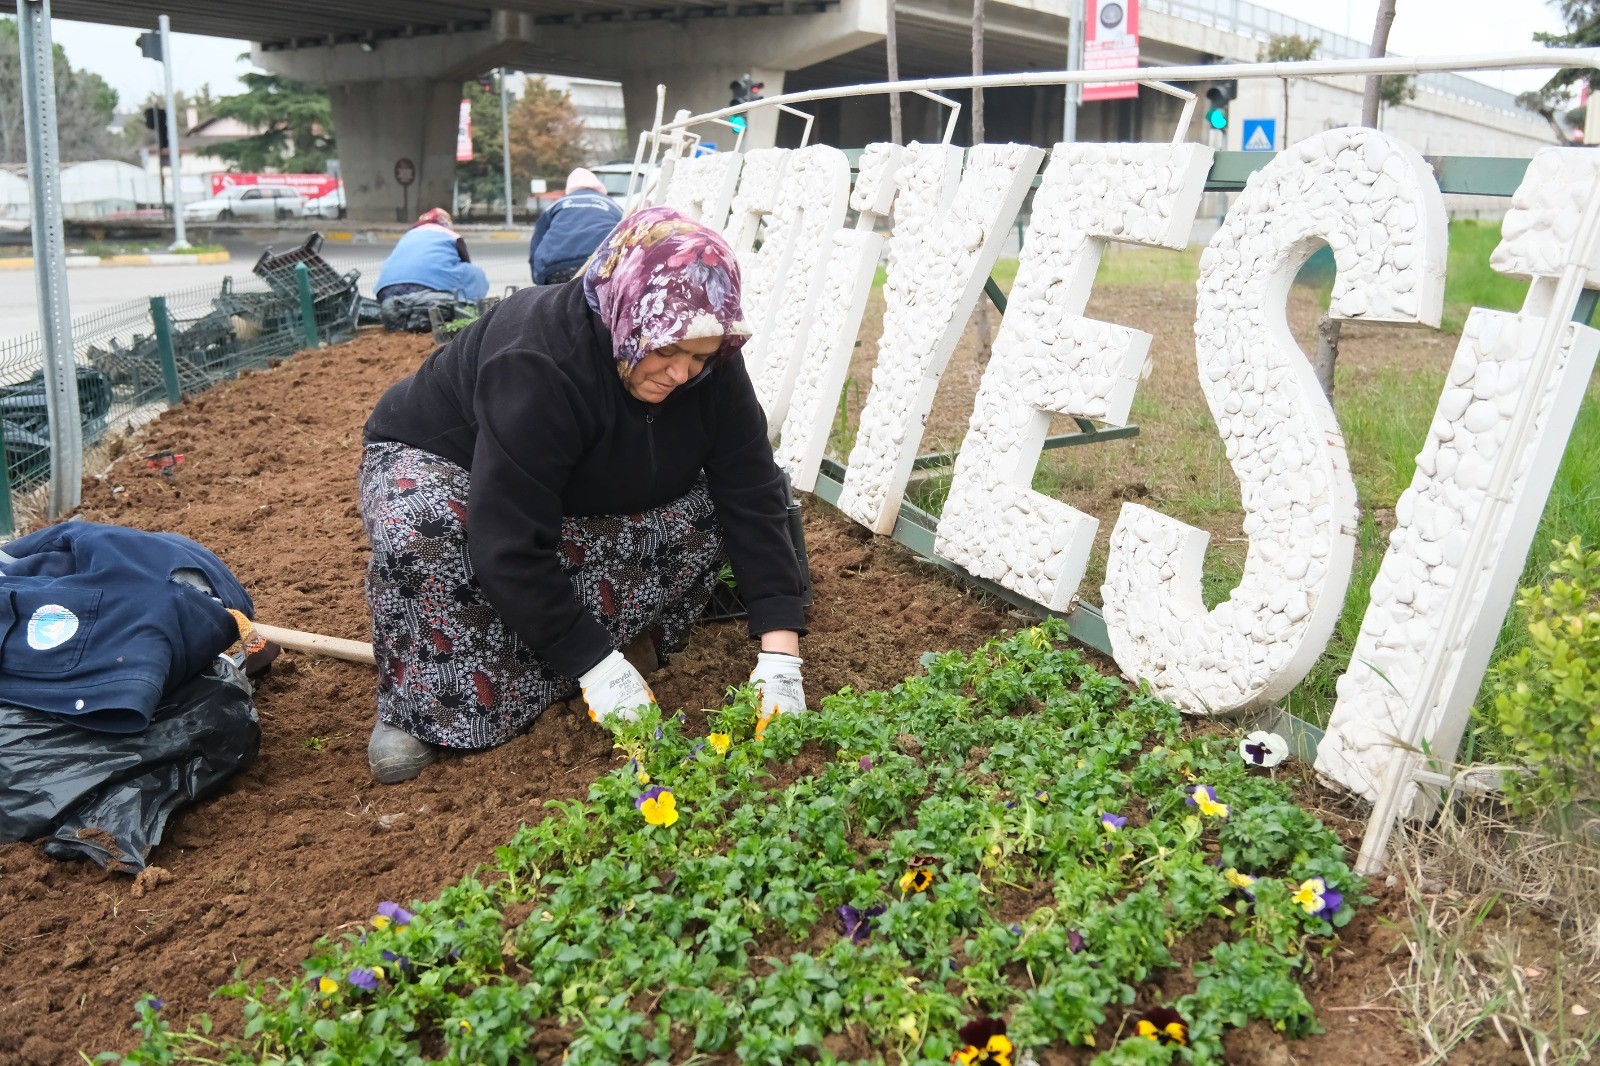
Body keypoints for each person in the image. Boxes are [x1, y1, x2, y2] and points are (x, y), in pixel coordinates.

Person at [358, 206, 808, 783]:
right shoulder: (538, 359)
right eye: (666, 351)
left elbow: (750, 486)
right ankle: (419, 703)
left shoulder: (709, 363)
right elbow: (508, 540)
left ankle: (601, 645)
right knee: (427, 532)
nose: (680, 374)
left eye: (699, 358)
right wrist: (598, 669)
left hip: (572, 490)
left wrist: (780, 653)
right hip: (452, 469)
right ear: (627, 312)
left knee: (701, 513)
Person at [374, 208, 490, 331]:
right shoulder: (451, 235)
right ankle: (467, 303)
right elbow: (465, 261)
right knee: (475, 274)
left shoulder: (409, 234)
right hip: (428, 287)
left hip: (386, 291)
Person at [528, 168, 624, 285]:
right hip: (601, 264)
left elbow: (536, 242)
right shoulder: (613, 206)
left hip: (554, 266)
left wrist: (538, 278)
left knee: (558, 295)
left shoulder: (557, 204)